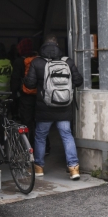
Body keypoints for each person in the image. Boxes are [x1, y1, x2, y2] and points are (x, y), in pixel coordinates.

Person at [23, 34, 83, 179]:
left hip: (44, 107)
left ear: (43, 46)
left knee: (41, 136)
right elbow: (78, 81)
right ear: (57, 46)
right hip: (64, 107)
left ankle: (38, 168)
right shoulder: (67, 61)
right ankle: (74, 168)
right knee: (67, 135)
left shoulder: (37, 62)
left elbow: (29, 84)